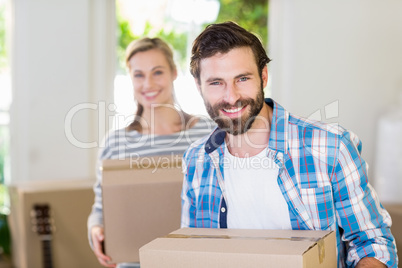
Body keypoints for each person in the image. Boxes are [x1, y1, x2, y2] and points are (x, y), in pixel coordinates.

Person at [181, 21, 398, 268]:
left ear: (263, 76)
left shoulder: (331, 147)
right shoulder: (196, 160)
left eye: (242, 78)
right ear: (199, 86)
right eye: (216, 82)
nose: (231, 97)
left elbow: (372, 244)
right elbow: (192, 251)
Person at [87, 37, 214, 268]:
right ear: (130, 78)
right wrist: (96, 229)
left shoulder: (207, 132)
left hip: (198, 260)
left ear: (174, 73)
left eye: (157, 72)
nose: (148, 83)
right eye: (139, 74)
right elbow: (100, 208)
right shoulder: (116, 143)